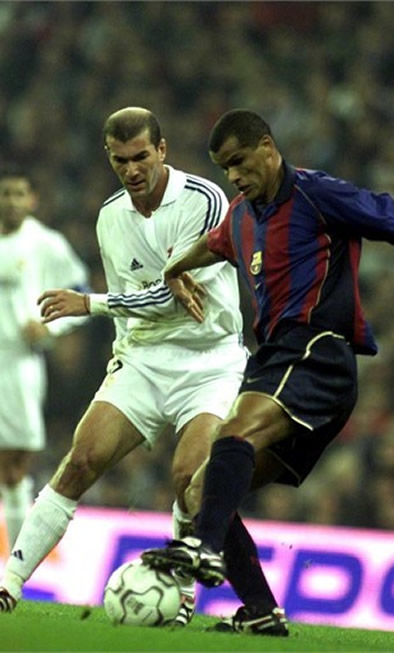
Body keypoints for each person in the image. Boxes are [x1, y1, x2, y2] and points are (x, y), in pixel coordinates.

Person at [140, 109, 394, 632]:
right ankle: (260, 610)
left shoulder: (317, 194)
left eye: (238, 162)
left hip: (319, 353)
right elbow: (212, 246)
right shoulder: (239, 216)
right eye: (223, 167)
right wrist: (173, 269)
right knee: (200, 490)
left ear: (266, 146)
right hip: (278, 364)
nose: (233, 175)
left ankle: (202, 550)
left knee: (232, 434)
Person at [0, 107, 251, 628]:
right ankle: (9, 584)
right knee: (79, 461)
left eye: (141, 157)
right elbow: (140, 296)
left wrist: (88, 303)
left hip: (209, 362)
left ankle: (181, 590)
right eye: (121, 161)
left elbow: (175, 295)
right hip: (143, 358)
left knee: (190, 478)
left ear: (162, 150)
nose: (133, 169)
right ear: (109, 158)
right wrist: (122, 356)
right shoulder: (110, 216)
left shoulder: (204, 200)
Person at [0, 167, 89, 553]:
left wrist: (50, 329)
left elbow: (82, 292)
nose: (12, 201)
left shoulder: (45, 243)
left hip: (17, 365)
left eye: (20, 194)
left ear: (32, 200)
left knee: (14, 466)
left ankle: (14, 570)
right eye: (6, 194)